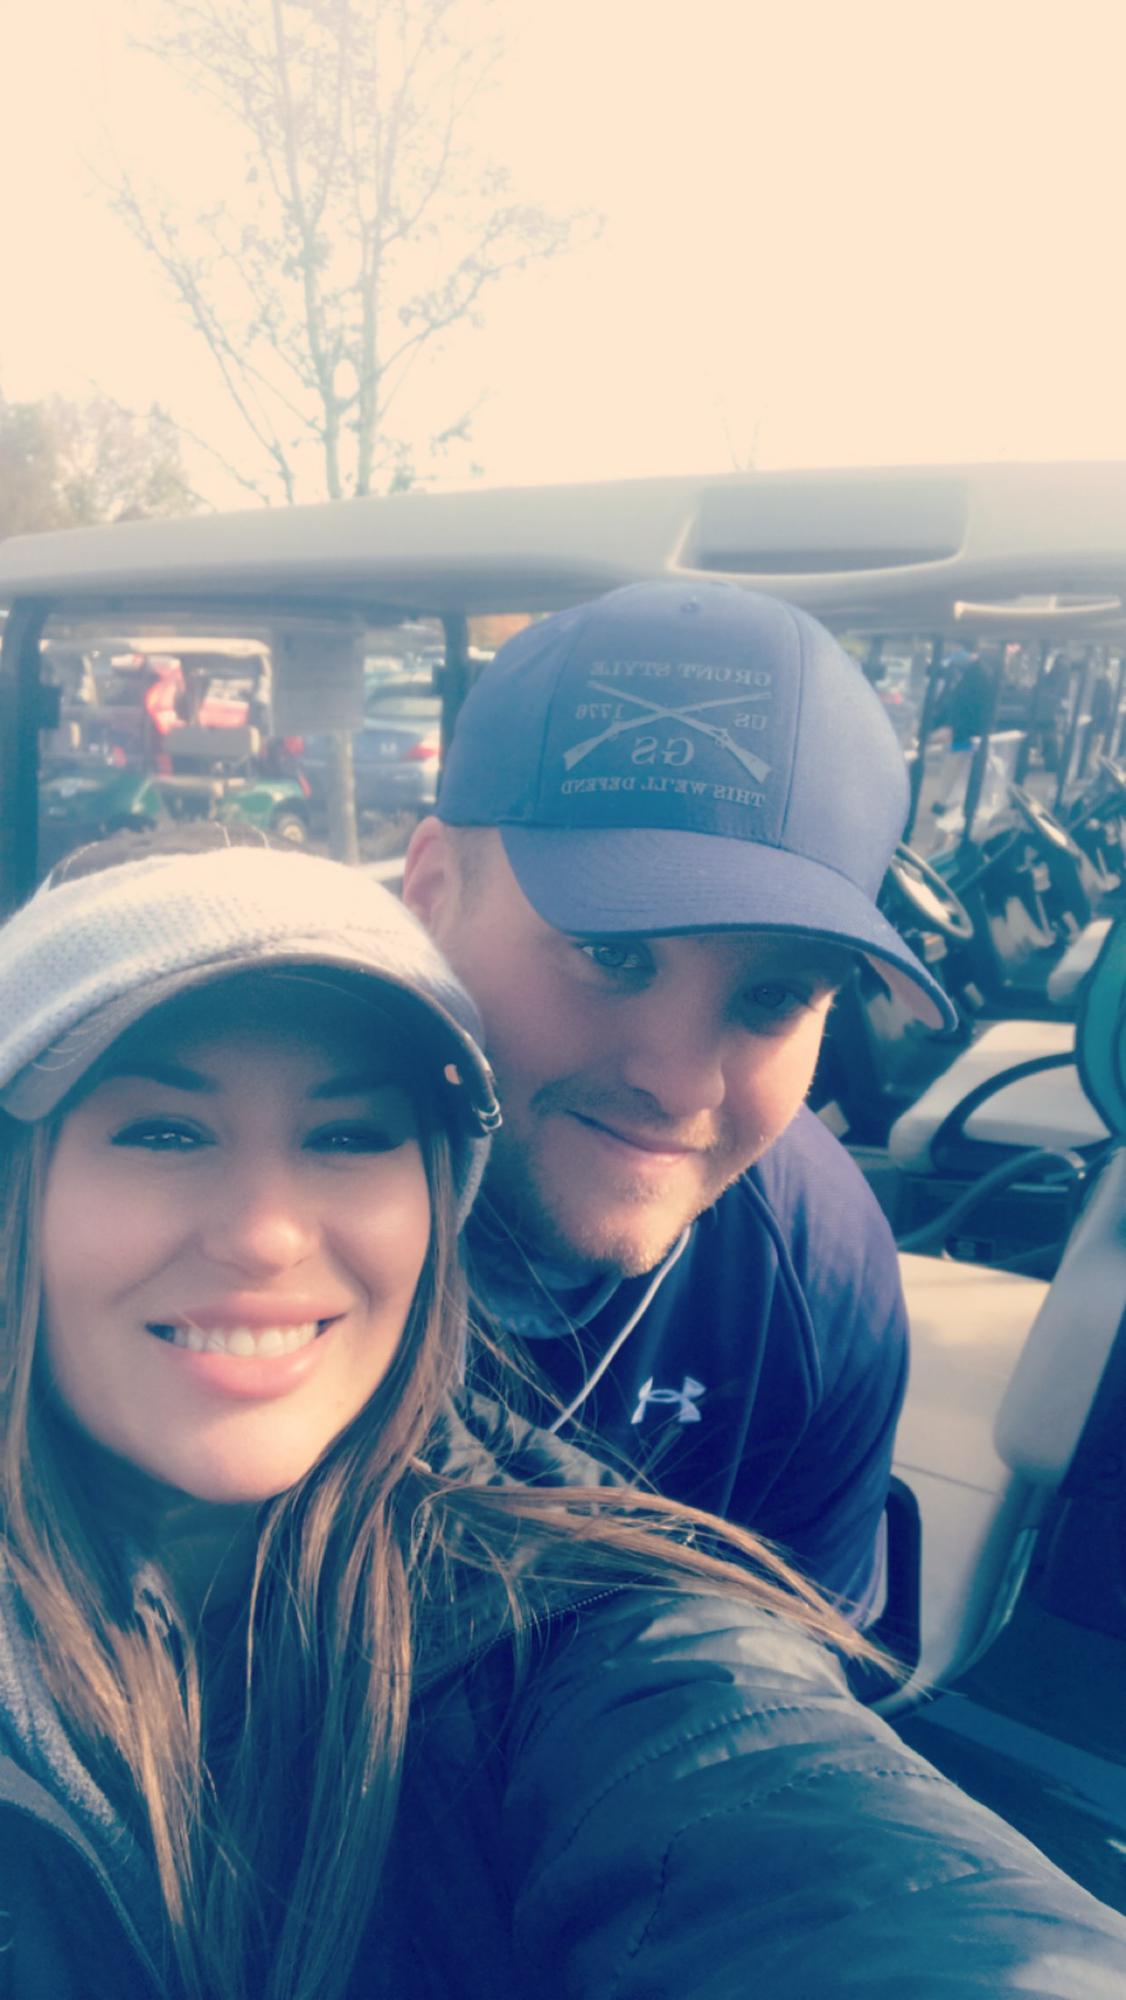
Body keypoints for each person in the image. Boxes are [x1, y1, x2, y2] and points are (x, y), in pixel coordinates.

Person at [3, 832, 1126, 1998]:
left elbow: (825, 1845)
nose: (266, 1234)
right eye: (164, 1131)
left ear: (436, 1203)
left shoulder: (572, 1618)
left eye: (350, 1134)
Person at [403, 580, 957, 1617]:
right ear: (432, 893)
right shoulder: (253, 1193)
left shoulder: (817, 1275)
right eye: (612, 954)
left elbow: (796, 1683)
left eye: (772, 996)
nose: (681, 1081)